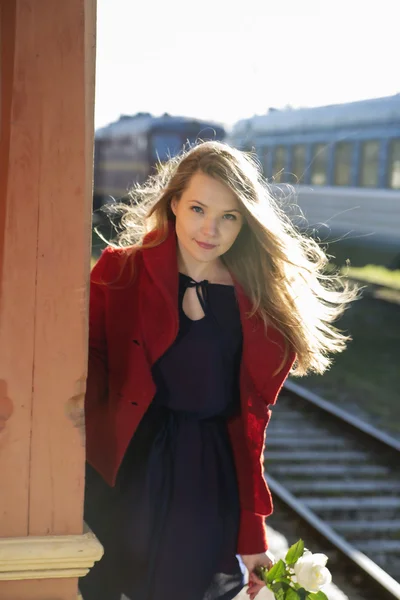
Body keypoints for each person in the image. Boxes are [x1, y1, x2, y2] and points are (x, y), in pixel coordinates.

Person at [78, 141, 356, 600]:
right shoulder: (118, 273)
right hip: (120, 474)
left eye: (228, 216)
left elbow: (249, 430)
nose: (210, 229)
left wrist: (252, 538)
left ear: (245, 222)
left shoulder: (263, 308)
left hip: (205, 487)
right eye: (198, 209)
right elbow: (82, 379)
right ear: (174, 204)